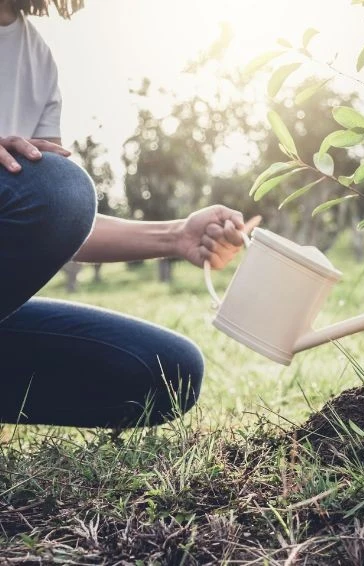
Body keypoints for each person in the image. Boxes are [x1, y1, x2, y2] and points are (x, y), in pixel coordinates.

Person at [0, 0, 259, 427]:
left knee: (167, 369)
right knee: (60, 186)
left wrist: (176, 236)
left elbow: (54, 214)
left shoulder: (36, 56)